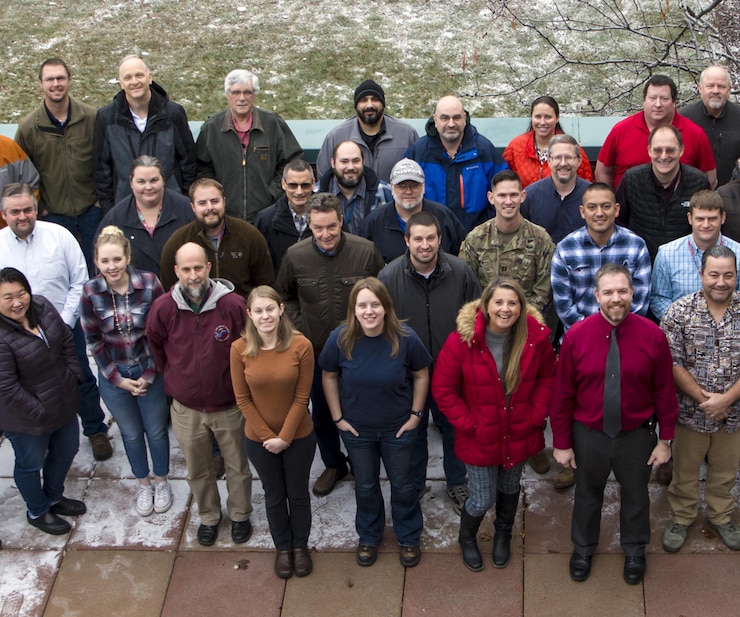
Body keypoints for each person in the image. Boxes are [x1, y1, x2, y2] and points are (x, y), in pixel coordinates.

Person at [551, 264, 677, 585]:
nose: (616, 298)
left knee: (636, 495)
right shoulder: (576, 337)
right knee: (587, 494)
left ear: (633, 293)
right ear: (596, 295)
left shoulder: (654, 336)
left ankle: (634, 550)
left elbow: (664, 390)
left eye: (622, 291)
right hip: (588, 435)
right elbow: (563, 394)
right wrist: (562, 443)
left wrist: (666, 440)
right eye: (608, 292)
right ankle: (583, 548)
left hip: (636, 435)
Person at [432, 278, 557, 571]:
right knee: (481, 497)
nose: (505, 309)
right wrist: (470, 424)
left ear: (521, 307)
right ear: (486, 305)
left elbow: (548, 378)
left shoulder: (535, 338)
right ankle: (467, 538)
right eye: (498, 302)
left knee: (510, 487)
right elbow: (443, 390)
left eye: (512, 303)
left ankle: (503, 533)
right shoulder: (462, 341)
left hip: (519, 429)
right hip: (480, 434)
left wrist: (535, 415)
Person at [276, 193, 384, 497]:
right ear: (309, 224)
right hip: (317, 352)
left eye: (332, 227)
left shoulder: (366, 252)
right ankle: (334, 464)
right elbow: (284, 296)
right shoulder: (295, 256)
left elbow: (382, 295)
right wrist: (301, 329)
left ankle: (366, 462)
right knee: (322, 414)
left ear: (342, 221)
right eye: (318, 228)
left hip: (360, 350)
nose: (325, 235)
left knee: (361, 411)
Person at [146, 243, 253, 546]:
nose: (193, 276)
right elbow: (155, 343)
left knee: (237, 466)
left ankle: (241, 514)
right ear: (177, 271)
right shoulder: (164, 308)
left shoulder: (232, 305)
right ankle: (209, 516)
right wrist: (175, 377)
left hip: (229, 405)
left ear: (208, 268)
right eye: (186, 269)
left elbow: (249, 348)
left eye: (198, 268)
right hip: (186, 408)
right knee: (198, 468)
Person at [320, 277, 432, 568]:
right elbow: (329, 375)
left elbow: (421, 373)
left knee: (404, 485)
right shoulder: (340, 338)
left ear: (386, 307)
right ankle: (369, 536)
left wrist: (416, 415)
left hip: (398, 429)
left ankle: (408, 537)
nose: (369, 311)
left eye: (375, 304)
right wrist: (337, 417)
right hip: (358, 431)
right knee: (366, 486)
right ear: (353, 309)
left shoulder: (405, 338)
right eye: (362, 305)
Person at [0, 182, 112, 460]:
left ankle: (95, 430)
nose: (22, 216)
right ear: (4, 214)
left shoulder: (59, 235)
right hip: (15, 336)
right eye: (15, 211)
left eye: (28, 209)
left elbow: (79, 280)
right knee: (26, 388)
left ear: (37, 209)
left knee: (81, 377)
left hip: (64, 326)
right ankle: (40, 435)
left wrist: (62, 323)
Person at [378, 211, 481, 510]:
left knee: (455, 429)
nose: (425, 245)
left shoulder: (460, 272)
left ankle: (458, 483)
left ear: (440, 239)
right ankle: (416, 482)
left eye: (431, 238)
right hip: (409, 374)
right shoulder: (388, 278)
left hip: (453, 373)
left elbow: (477, 318)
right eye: (418, 239)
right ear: (407, 241)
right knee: (414, 431)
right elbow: (383, 328)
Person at [80, 227, 172, 517]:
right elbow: (93, 340)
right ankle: (143, 483)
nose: (112, 267)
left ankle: (162, 480)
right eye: (105, 261)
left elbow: (162, 333)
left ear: (127, 256)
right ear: (96, 262)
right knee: (131, 434)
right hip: (115, 374)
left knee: (156, 431)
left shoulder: (149, 283)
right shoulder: (90, 291)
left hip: (149, 369)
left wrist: (149, 375)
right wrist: (118, 380)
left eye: (117, 259)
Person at [230, 286, 316, 579]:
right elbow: (242, 399)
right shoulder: (239, 349)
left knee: (298, 493)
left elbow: (302, 397)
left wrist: (286, 437)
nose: (265, 316)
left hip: (299, 436)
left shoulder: (301, 345)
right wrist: (268, 437)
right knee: (274, 495)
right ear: (249, 315)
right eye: (258, 310)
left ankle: (300, 546)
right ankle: (283, 547)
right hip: (259, 440)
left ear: (281, 309)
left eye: (270, 309)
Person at [660, 246, 740, 552]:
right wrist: (707, 400)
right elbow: (672, 364)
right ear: (701, 275)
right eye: (714, 274)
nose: (721, 282)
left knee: (725, 470)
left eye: (728, 275)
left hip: (733, 414)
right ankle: (682, 516)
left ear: (736, 276)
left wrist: (726, 400)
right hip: (691, 412)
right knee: (685, 471)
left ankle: (721, 515)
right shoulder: (678, 313)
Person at [0, 267, 87, 535]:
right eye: (7, 298)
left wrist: (73, 375)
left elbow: (65, 342)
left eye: (21, 293)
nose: (17, 302)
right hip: (26, 419)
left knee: (66, 451)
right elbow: (6, 386)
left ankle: (53, 496)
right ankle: (37, 510)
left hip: (62, 401)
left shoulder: (43, 305)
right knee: (30, 463)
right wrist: (40, 411)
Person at [15, 58, 97, 273]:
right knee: (60, 271)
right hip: (53, 215)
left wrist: (100, 200)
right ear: (41, 83)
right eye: (50, 79)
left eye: (60, 78)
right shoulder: (28, 128)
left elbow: (107, 160)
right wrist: (41, 208)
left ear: (69, 80)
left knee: (97, 268)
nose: (56, 84)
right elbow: (20, 173)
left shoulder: (92, 118)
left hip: (92, 211)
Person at [196, 69, 303, 222]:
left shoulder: (272, 123)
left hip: (267, 215)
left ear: (255, 95)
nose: (242, 98)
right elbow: (201, 167)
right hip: (225, 216)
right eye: (236, 92)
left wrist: (273, 192)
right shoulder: (212, 127)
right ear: (227, 94)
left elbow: (292, 161)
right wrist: (216, 195)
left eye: (248, 92)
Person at [93, 55, 196, 211]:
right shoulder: (106, 118)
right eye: (128, 77)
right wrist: (110, 208)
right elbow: (101, 169)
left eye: (139, 75)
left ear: (150, 77)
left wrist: (184, 200)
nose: (134, 82)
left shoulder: (173, 113)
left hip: (171, 206)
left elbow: (188, 161)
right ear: (121, 83)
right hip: (125, 208)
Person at [551, 183, 651, 331]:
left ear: (616, 209)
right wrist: (591, 332)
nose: (599, 213)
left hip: (627, 334)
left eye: (606, 206)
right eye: (592, 207)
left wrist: (615, 331)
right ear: (582, 211)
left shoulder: (636, 245)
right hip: (581, 336)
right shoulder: (566, 248)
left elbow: (641, 300)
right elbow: (563, 304)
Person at [404, 95, 508, 232]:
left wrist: (485, 230)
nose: (451, 124)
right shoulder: (418, 152)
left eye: (457, 117)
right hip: (431, 239)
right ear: (435, 120)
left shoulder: (483, 150)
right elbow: (404, 195)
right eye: (445, 118)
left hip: (477, 238)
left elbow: (503, 191)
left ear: (465, 118)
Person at [595, 74, 716, 189]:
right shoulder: (621, 130)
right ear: (644, 100)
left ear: (674, 102)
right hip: (630, 207)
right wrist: (613, 203)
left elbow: (710, 179)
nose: (658, 104)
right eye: (652, 98)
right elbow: (602, 172)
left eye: (664, 99)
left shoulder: (695, 134)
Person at [159, 178, 275, 299]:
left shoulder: (249, 236)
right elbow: (170, 290)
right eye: (202, 203)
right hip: (195, 315)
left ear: (224, 202)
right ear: (193, 207)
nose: (210, 207)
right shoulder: (178, 242)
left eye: (215, 201)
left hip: (242, 314)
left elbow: (265, 285)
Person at [462, 170, 555, 314]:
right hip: (485, 321)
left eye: (513, 195)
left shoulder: (541, 239)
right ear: (491, 198)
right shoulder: (475, 239)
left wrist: (518, 318)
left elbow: (544, 292)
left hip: (527, 322)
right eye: (502, 195)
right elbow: (467, 287)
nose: (508, 201)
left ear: (522, 196)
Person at [616, 125, 711, 262]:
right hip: (641, 262)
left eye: (670, 150)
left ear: (681, 150)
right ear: (649, 151)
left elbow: (705, 224)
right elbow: (619, 223)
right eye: (658, 150)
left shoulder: (698, 182)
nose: (664, 156)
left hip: (684, 263)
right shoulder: (632, 179)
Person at [96, 155, 194, 278]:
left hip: (181, 290)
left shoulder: (187, 210)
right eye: (141, 181)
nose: (148, 187)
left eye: (154, 180)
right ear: (131, 182)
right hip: (137, 293)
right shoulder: (115, 218)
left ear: (163, 180)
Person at [651, 190, 740, 321]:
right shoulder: (667, 253)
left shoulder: (738, 253)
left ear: (723, 218)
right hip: (681, 332)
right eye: (700, 219)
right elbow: (658, 298)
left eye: (712, 219)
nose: (706, 225)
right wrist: (686, 322)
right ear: (690, 218)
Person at [361, 158, 465, 263]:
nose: (408, 191)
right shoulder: (374, 222)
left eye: (414, 185)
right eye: (402, 186)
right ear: (392, 188)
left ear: (423, 186)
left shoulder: (444, 217)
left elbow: (461, 257)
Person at [316, 79, 418, 183]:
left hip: (394, 198)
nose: (369, 105)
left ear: (383, 104)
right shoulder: (336, 136)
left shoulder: (407, 134)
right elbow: (323, 178)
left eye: (375, 99)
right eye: (363, 100)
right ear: (356, 105)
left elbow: (419, 174)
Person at [502, 96, 592, 187]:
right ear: (531, 117)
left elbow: (586, 187)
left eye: (548, 117)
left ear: (557, 118)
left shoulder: (572, 148)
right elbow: (503, 182)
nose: (542, 122)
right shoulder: (516, 146)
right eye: (538, 117)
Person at [520, 134, 592, 243]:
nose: (563, 163)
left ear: (579, 161)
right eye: (558, 157)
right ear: (549, 161)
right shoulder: (530, 196)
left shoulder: (593, 195)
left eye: (568, 157)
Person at [681, 66, 740, 187]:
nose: (715, 90)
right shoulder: (684, 119)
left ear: (729, 90)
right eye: (710, 86)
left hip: (734, 197)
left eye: (721, 86)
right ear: (700, 88)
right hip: (693, 195)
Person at [316, 140, 391, 235]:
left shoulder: (385, 192)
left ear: (363, 162)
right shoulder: (316, 193)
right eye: (344, 161)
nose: (350, 167)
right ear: (333, 163)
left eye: (356, 161)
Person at [254, 159, 315, 274]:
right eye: (293, 185)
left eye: (305, 185)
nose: (299, 191)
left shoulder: (328, 216)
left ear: (313, 183)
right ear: (283, 184)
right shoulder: (265, 220)